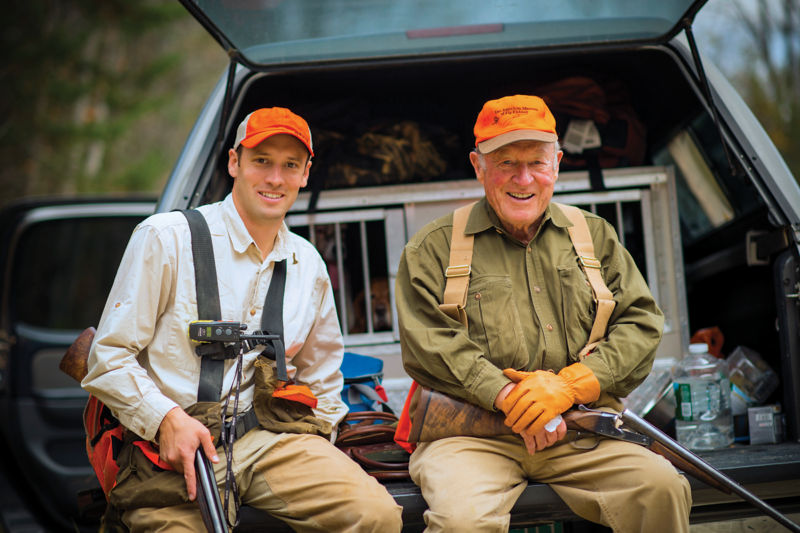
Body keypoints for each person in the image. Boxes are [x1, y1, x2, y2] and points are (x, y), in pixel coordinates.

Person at [83, 107, 402, 532]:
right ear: (234, 162)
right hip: (172, 454)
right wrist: (165, 419)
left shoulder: (307, 264)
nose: (275, 178)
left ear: (306, 173)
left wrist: (316, 441)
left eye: (290, 165)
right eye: (261, 161)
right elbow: (108, 359)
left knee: (375, 515)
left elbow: (324, 378)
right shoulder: (165, 238)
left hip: (270, 440)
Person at [394, 95, 691, 532]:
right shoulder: (432, 247)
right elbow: (429, 344)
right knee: (461, 521)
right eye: (506, 162)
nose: (523, 178)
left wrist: (569, 387)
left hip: (582, 432)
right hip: (470, 440)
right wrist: (517, 401)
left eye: (537, 162)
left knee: (661, 488)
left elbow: (641, 324)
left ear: (558, 163)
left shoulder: (595, 236)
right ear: (478, 166)